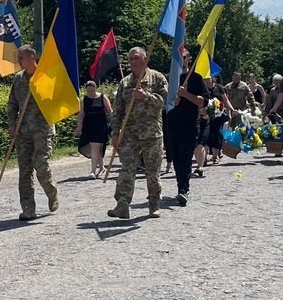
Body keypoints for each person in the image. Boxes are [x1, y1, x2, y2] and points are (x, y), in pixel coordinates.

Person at [108, 47, 168, 220]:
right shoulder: (125, 83)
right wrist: (115, 132)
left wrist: (146, 96)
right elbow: (117, 110)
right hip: (129, 135)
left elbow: (166, 101)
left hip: (152, 134)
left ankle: (154, 204)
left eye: (136, 58)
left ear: (144, 59)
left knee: (152, 171)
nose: (133, 62)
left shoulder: (157, 78)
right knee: (127, 168)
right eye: (131, 59)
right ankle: (122, 204)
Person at [8, 45, 58, 221]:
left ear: (31, 57)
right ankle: (28, 209)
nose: (18, 61)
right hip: (23, 131)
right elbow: (12, 104)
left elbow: (55, 101)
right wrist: (11, 125)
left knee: (41, 165)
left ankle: (51, 192)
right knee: (25, 171)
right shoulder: (18, 79)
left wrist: (39, 89)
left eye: (21, 57)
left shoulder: (45, 76)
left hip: (42, 129)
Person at [167, 48, 208, 205]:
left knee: (185, 156)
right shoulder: (170, 79)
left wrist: (186, 95)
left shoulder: (196, 78)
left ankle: (184, 189)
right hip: (172, 124)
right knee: (176, 157)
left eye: (183, 57)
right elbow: (162, 100)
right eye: (177, 57)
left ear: (189, 59)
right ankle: (180, 185)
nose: (181, 60)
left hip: (190, 123)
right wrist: (172, 101)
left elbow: (203, 101)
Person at [75, 80, 112, 178]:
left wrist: (116, 124)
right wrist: (79, 126)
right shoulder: (84, 100)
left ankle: (94, 170)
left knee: (96, 147)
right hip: (89, 125)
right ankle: (100, 168)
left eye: (92, 90)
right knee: (96, 148)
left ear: (96, 88)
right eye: (88, 91)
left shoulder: (103, 97)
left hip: (101, 125)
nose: (91, 93)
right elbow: (81, 113)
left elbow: (110, 111)